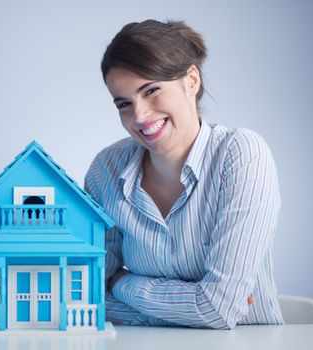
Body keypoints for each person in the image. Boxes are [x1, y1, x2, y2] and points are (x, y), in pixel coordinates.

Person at [84, 19, 283, 329]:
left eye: (151, 91)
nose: (139, 115)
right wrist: (192, 308)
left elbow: (218, 310)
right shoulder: (105, 171)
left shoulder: (242, 154)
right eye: (124, 103)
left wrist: (123, 283)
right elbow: (91, 296)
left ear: (191, 81)